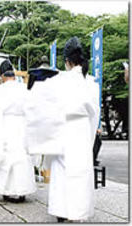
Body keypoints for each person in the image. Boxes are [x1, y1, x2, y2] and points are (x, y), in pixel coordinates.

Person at [47, 37, 100, 222]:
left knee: (61, 170)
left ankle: (61, 210)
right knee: (80, 171)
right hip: (82, 129)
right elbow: (95, 114)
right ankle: (79, 211)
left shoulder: (59, 80)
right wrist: (90, 137)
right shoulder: (91, 82)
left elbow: (50, 109)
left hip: (63, 128)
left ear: (67, 61)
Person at [0, 60, 36, 203]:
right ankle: (22, 191)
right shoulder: (24, 89)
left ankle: (5, 190)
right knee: (22, 156)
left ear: (2, 75)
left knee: (5, 156)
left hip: (5, 124)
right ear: (14, 74)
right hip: (22, 125)